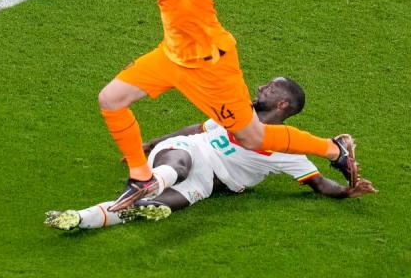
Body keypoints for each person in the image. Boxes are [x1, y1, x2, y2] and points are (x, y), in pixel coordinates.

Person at [66, 0, 360, 211]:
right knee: (111, 100)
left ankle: (334, 149)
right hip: (174, 54)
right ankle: (141, 177)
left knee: (251, 136)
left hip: (208, 64)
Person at [45, 77, 378, 231]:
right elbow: (195, 131)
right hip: (187, 153)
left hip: (207, 183)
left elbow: (321, 185)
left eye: (271, 88)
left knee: (157, 207)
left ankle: (82, 218)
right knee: (175, 167)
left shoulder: (290, 150)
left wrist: (348, 191)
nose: (261, 86)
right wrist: (151, 143)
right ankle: (148, 182)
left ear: (283, 105)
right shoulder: (235, 112)